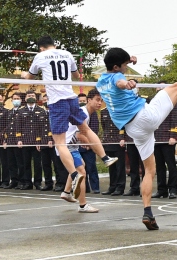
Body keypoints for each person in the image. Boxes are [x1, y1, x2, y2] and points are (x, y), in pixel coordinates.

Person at [96, 42, 177, 229]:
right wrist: (127, 83)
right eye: (124, 65)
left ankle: (147, 212)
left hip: (133, 130)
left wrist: (129, 59)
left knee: (149, 170)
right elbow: (120, 82)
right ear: (116, 68)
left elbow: (116, 75)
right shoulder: (118, 78)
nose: (126, 68)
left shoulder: (100, 81)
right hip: (145, 117)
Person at [25, 36, 117, 202]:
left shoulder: (40, 57)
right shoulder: (67, 54)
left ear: (41, 48)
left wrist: (26, 74)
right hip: (71, 98)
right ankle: (105, 158)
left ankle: (75, 175)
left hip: (57, 102)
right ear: (55, 44)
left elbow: (29, 78)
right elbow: (76, 75)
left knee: (60, 143)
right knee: (86, 129)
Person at [88, 89, 127, 196]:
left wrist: (122, 137)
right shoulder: (104, 111)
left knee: (119, 166)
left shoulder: (119, 109)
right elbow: (104, 127)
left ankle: (120, 187)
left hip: (118, 141)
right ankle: (112, 186)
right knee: (111, 166)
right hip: (108, 141)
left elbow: (123, 125)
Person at [57, 120, 99, 213]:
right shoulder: (81, 113)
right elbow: (79, 135)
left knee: (79, 167)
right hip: (68, 146)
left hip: (72, 146)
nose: (99, 104)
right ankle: (83, 205)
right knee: (81, 172)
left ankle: (67, 192)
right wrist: (94, 145)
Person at [154, 102, 177, 199]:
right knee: (159, 166)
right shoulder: (155, 102)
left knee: (171, 165)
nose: (159, 89)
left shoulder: (172, 103)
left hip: (168, 139)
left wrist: (173, 136)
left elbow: (175, 119)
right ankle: (161, 190)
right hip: (156, 138)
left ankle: (173, 189)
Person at [27, 92, 54, 190]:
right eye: (44, 100)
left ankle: (60, 183)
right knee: (45, 165)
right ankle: (48, 183)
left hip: (54, 143)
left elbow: (54, 128)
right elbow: (38, 128)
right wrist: (38, 141)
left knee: (56, 164)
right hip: (43, 142)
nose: (46, 102)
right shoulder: (41, 113)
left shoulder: (55, 113)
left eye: (48, 100)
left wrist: (51, 139)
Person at [9, 92, 33, 190]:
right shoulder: (9, 112)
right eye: (14, 98)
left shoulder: (23, 111)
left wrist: (20, 139)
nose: (16, 100)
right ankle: (15, 180)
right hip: (11, 140)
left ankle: (24, 180)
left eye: (18, 98)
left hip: (23, 140)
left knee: (22, 163)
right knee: (12, 163)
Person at [77, 93, 100, 194]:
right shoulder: (78, 112)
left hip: (89, 146)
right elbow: (76, 131)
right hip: (77, 145)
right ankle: (84, 188)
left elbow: (93, 129)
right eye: (80, 101)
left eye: (83, 100)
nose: (82, 102)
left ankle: (95, 188)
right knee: (81, 168)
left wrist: (89, 143)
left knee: (91, 167)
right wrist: (81, 141)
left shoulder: (92, 113)